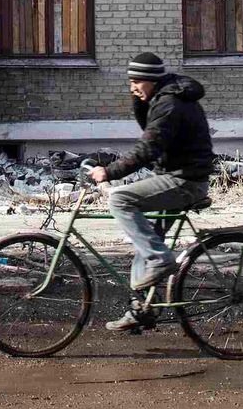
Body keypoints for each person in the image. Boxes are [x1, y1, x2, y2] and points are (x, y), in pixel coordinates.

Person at [86, 52, 215, 334]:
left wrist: (109, 172)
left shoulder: (170, 104)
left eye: (136, 82)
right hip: (177, 176)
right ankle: (141, 310)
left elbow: (148, 148)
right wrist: (139, 97)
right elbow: (150, 134)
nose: (132, 87)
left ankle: (160, 260)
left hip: (185, 181)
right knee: (145, 239)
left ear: (153, 80)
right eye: (130, 81)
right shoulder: (162, 98)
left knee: (120, 199)